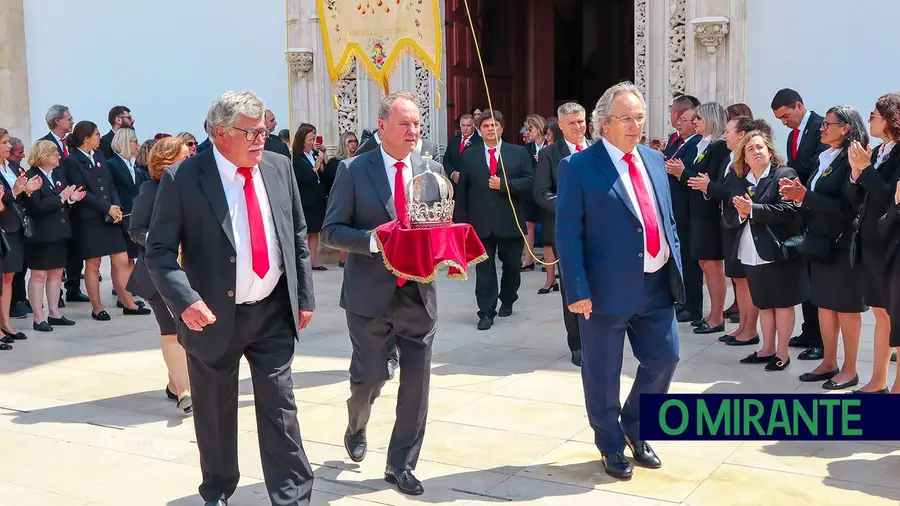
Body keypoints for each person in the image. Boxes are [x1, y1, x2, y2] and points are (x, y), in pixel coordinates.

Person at [145, 90, 316, 505]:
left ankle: (292, 494)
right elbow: (160, 252)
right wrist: (185, 301)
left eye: (264, 131)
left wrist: (304, 294)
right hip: (213, 315)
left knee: (280, 406)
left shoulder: (278, 166)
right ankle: (217, 490)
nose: (261, 140)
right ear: (220, 134)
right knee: (216, 411)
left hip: (273, 309)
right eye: (252, 132)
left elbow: (294, 233)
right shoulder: (184, 178)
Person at [556, 82, 683, 480]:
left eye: (640, 118)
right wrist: (576, 290)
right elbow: (568, 232)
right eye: (626, 118)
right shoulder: (578, 166)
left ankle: (636, 425)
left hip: (655, 282)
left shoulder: (653, 159)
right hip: (604, 290)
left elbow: (665, 217)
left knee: (665, 358)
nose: (635, 126)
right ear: (603, 124)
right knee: (603, 372)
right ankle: (610, 443)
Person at [320, 91, 443, 496]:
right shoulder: (354, 170)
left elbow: (439, 226)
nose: (414, 131)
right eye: (405, 124)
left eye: (418, 124)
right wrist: (375, 241)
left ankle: (400, 464)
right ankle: (356, 423)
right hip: (369, 296)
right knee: (370, 376)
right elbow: (332, 231)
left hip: (418, 296)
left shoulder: (432, 170)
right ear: (383, 127)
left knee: (417, 385)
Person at [781, 106, 869, 389]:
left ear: (845, 128)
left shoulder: (852, 160)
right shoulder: (825, 156)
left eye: (827, 124)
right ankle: (828, 361)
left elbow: (848, 208)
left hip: (843, 243)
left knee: (845, 308)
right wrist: (798, 197)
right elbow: (815, 197)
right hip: (820, 241)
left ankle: (850, 368)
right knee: (824, 306)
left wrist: (805, 196)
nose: (821, 128)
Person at [727, 131, 809, 371]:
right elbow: (728, 216)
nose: (756, 152)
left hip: (777, 250)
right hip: (750, 250)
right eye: (750, 149)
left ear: (770, 151)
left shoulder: (784, 175)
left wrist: (753, 209)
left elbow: (788, 210)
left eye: (760, 147)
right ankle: (766, 349)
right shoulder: (740, 180)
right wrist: (741, 213)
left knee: (782, 303)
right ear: (744, 157)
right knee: (763, 303)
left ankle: (783, 353)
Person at [128, 136, 193, 413]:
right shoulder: (150, 191)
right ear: (168, 161)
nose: (190, 158)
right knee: (172, 329)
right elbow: (134, 230)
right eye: (184, 155)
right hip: (158, 272)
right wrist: (161, 239)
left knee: (188, 330)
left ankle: (173, 382)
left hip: (189, 272)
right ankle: (185, 392)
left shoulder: (192, 189)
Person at [61, 121, 149, 320]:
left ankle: (128, 302)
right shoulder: (72, 161)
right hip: (89, 219)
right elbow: (82, 190)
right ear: (86, 137)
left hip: (109, 216)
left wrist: (115, 207)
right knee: (93, 263)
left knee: (120, 259)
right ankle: (97, 307)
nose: (100, 137)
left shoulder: (99, 155)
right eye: (97, 134)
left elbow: (110, 186)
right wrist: (106, 207)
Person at [454, 109, 534, 330]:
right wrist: (460, 223)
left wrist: (504, 185)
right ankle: (486, 312)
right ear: (480, 130)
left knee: (512, 267)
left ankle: (508, 298)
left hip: (510, 221)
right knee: (484, 270)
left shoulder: (518, 153)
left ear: (502, 127)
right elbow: (463, 192)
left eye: (495, 125)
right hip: (480, 223)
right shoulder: (469, 155)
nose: (491, 129)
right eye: (486, 126)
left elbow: (529, 182)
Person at [847, 93, 900, 393]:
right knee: (881, 313)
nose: (868, 120)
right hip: (871, 242)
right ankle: (878, 380)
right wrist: (857, 174)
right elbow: (861, 197)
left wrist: (866, 170)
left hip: (891, 245)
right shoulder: (879, 150)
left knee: (896, 316)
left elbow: (891, 198)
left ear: (890, 119)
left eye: (874, 114)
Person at [771, 88, 827, 361]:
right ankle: (807, 331)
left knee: (816, 280)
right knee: (804, 275)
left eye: (785, 116)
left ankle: (820, 340)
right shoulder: (793, 135)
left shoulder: (821, 127)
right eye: (780, 120)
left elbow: (816, 165)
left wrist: (790, 177)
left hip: (818, 211)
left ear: (798, 105)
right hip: (800, 212)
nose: (785, 123)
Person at [533, 102, 590, 366]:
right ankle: (577, 343)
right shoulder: (549, 154)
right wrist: (572, 207)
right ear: (560, 125)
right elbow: (542, 192)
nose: (578, 127)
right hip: (567, 231)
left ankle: (598, 338)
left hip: (600, 232)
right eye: (572, 123)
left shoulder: (598, 149)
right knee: (572, 287)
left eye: (581, 121)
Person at [23, 140, 85, 332]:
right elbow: (36, 206)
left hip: (59, 231)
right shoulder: (32, 176)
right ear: (45, 155)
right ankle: (38, 317)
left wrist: (71, 200)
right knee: (39, 275)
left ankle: (54, 312)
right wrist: (61, 198)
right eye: (55, 154)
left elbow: (62, 202)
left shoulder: (57, 174)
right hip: (41, 234)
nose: (59, 157)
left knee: (57, 272)